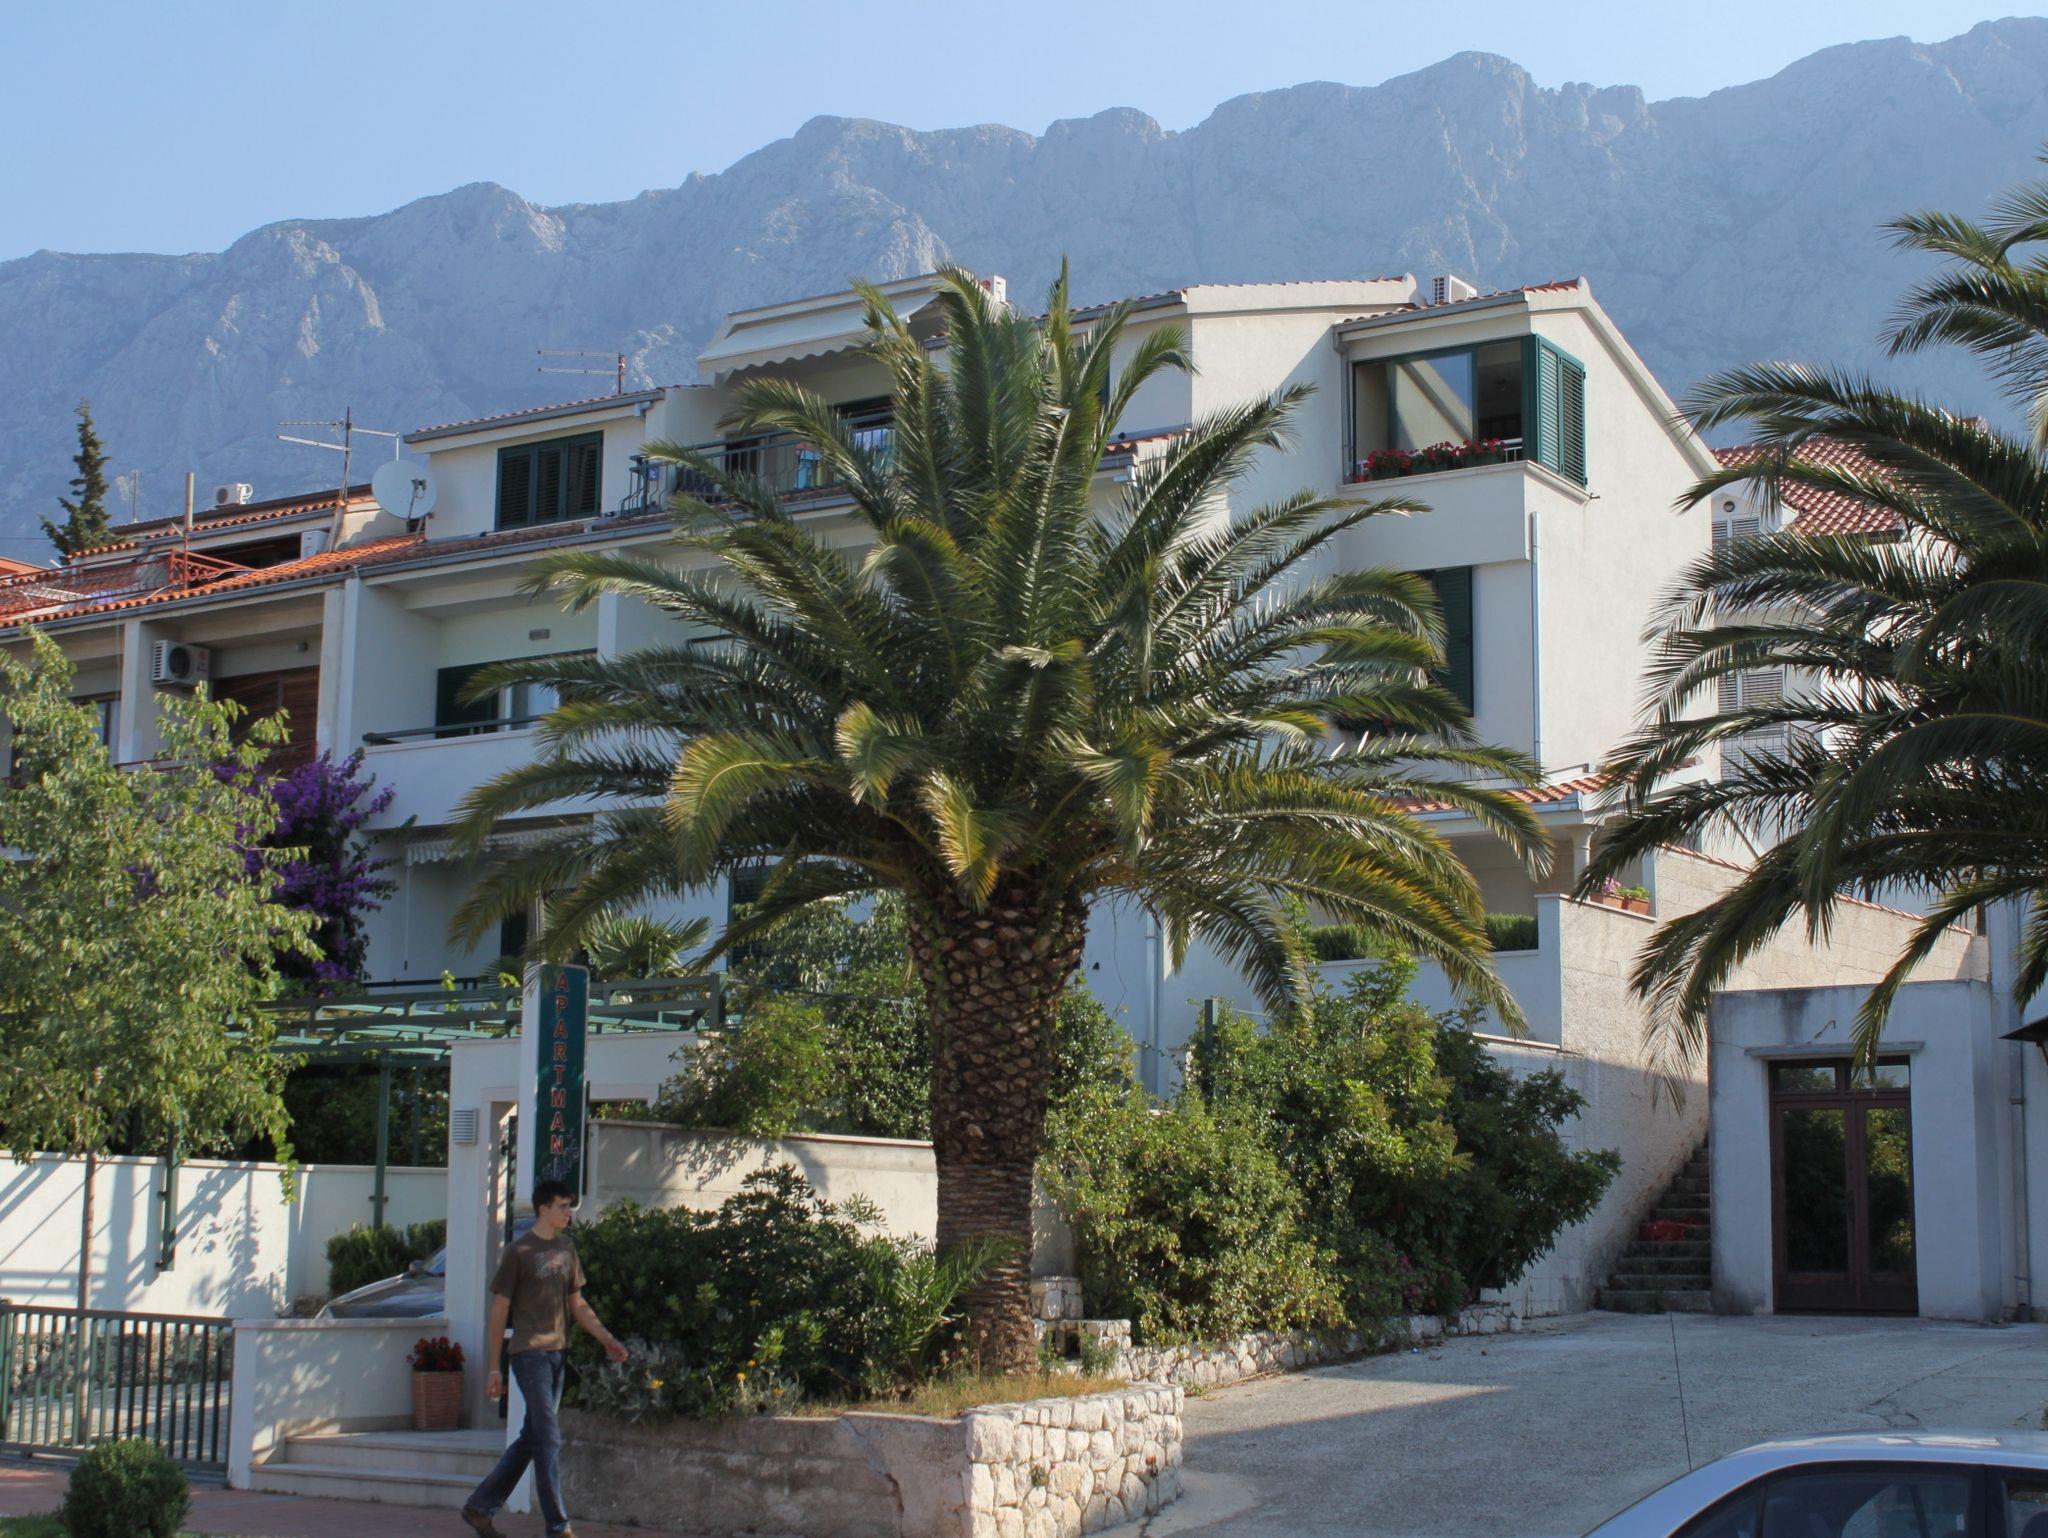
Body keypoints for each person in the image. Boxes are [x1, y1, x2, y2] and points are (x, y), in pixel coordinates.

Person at [461, 1178, 628, 1538]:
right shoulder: (519, 1252)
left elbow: (577, 1305)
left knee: (533, 1437)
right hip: (529, 1354)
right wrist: (494, 1368)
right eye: (562, 1206)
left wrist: (607, 1339)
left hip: (557, 1354)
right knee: (548, 1437)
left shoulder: (567, 1249)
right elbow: (499, 1310)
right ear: (543, 1209)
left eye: (570, 1206)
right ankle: (558, 1526)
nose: (569, 1213)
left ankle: (479, 1507)